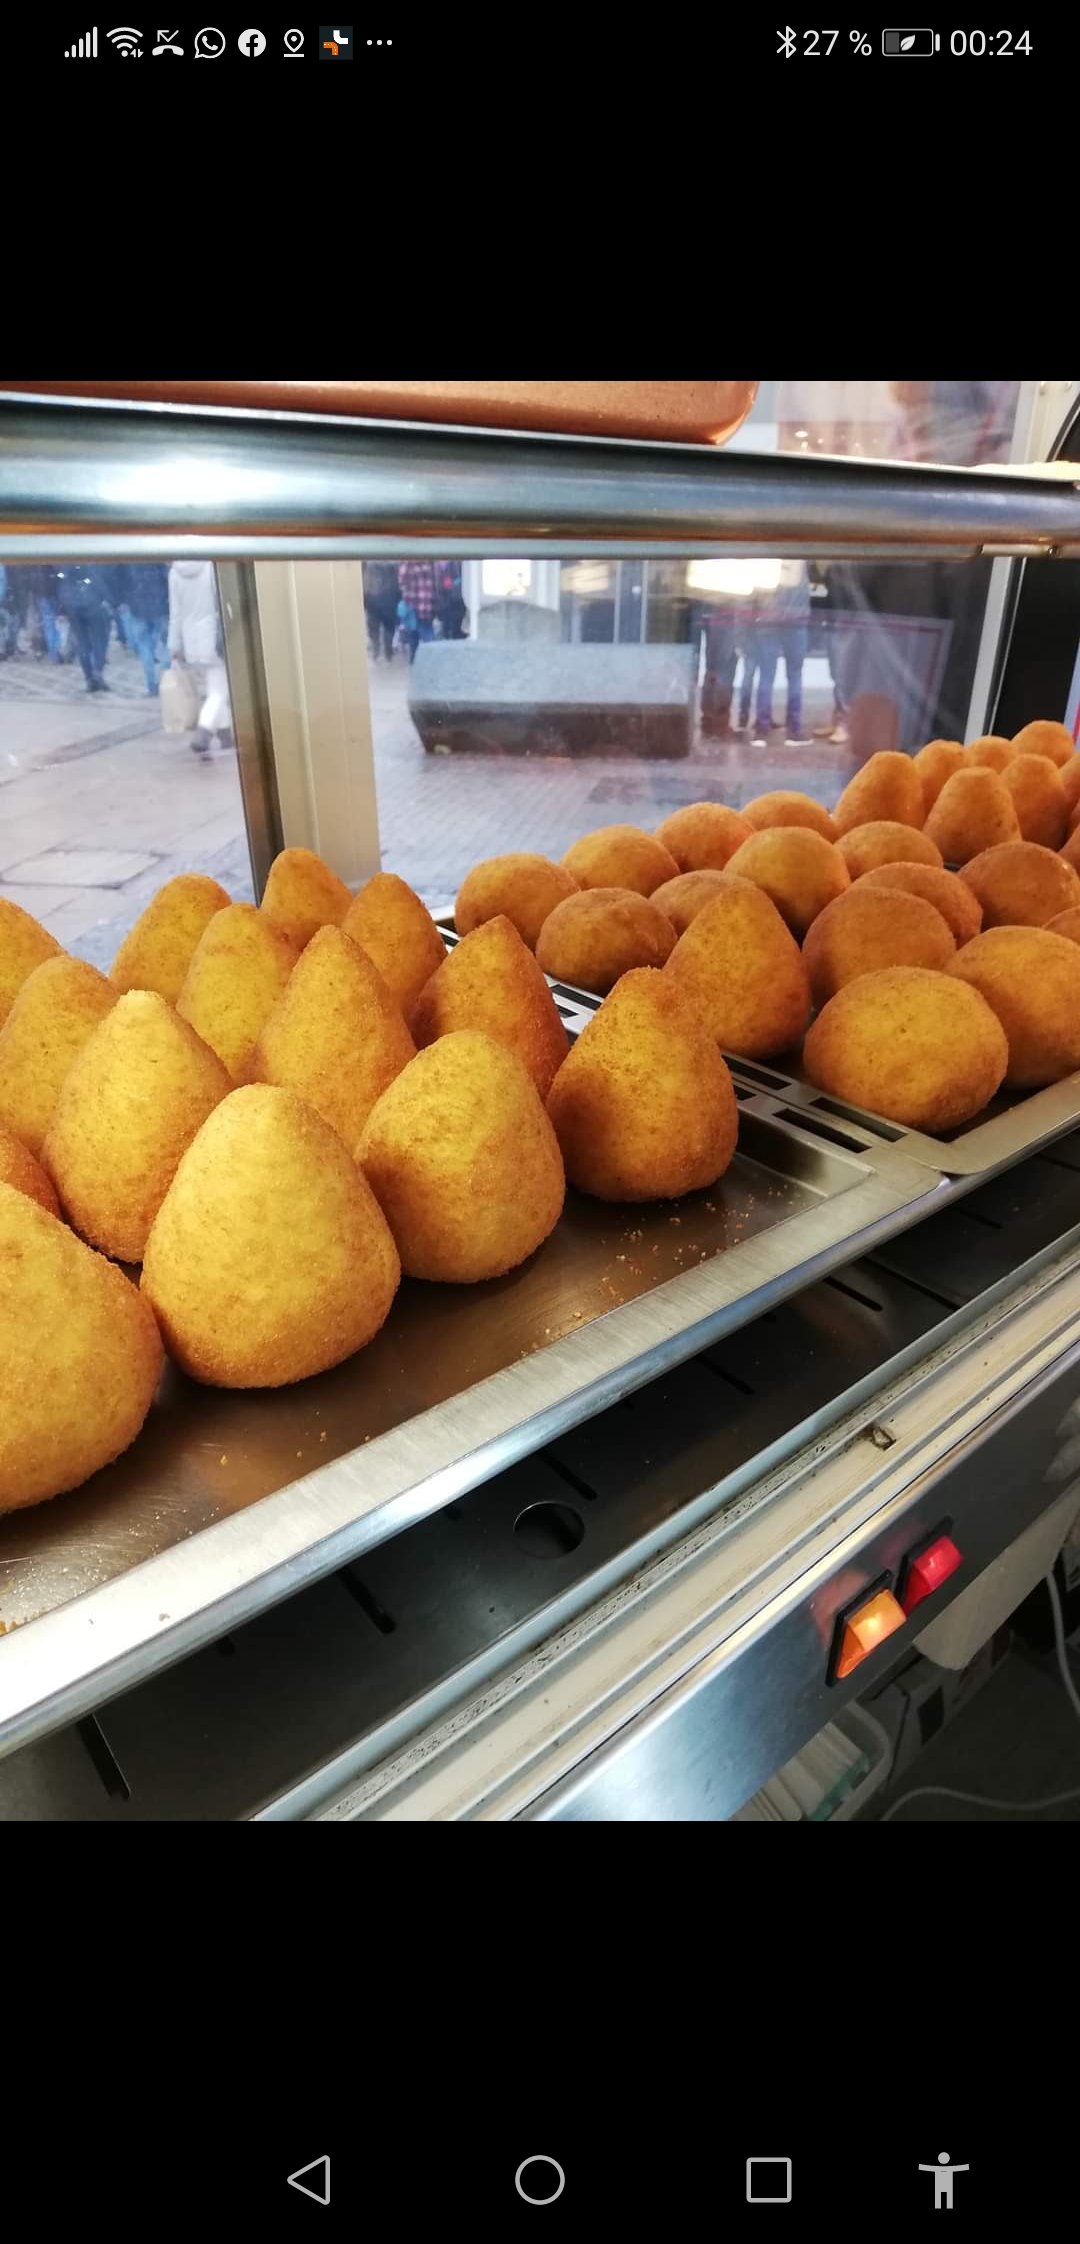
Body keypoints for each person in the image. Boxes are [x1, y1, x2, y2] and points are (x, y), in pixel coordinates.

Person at [167, 560, 233, 754]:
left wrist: (174, 646)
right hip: (213, 638)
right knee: (219, 692)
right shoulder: (211, 568)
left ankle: (225, 735)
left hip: (191, 641)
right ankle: (203, 733)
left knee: (214, 687)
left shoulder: (175, 572)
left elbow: (175, 614)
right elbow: (223, 603)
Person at [750, 562, 813, 748]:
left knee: (766, 675)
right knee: (794, 675)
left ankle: (761, 730)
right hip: (796, 617)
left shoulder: (768, 556)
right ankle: (793, 730)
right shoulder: (801, 556)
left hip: (767, 617)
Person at [55, 563, 112, 693]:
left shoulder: (65, 565)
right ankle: (97, 672)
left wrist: (62, 607)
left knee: (83, 644)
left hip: (73, 606)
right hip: (92, 605)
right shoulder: (89, 563)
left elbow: (61, 583)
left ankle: (89, 678)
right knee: (99, 641)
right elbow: (97, 580)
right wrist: (108, 600)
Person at [114, 565, 170, 695]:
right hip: (159, 607)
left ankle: (151, 684)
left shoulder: (129, 563)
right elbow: (166, 583)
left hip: (137, 608)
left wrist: (123, 601)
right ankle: (164, 679)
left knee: (144, 647)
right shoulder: (158, 563)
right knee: (164, 645)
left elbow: (120, 582)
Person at [363, 562, 399, 663]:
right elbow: (397, 584)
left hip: (373, 602)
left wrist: (365, 602)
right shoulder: (393, 565)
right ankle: (388, 653)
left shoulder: (370, 565)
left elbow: (366, 585)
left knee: (374, 629)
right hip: (389, 601)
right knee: (389, 628)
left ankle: (376, 652)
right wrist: (397, 599)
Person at [397, 561, 437, 648]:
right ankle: (430, 654)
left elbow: (401, 582)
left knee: (413, 638)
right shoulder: (429, 564)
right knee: (428, 637)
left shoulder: (407, 565)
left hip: (412, 607)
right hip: (427, 606)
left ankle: (414, 656)